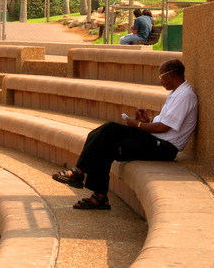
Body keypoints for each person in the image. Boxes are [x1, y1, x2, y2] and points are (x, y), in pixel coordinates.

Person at [52, 59, 198, 210]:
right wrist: (146, 121)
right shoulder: (177, 94)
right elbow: (164, 124)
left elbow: (163, 128)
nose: (160, 81)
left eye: (162, 77)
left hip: (163, 149)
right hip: (155, 141)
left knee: (109, 129)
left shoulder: (185, 96)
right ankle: (99, 196)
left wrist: (138, 125)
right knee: (99, 139)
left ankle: (79, 172)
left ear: (172, 74)